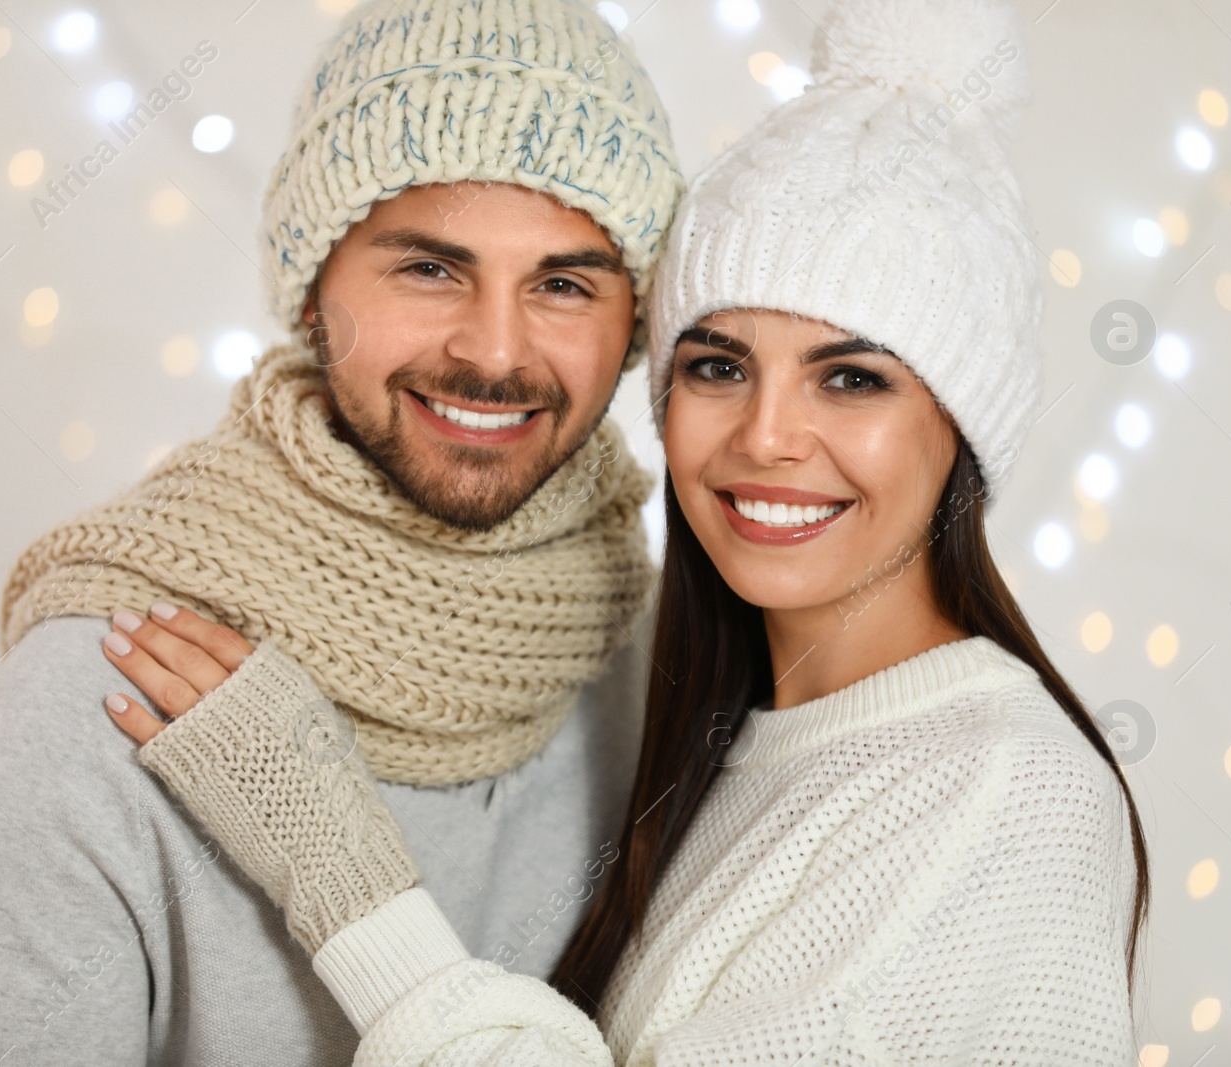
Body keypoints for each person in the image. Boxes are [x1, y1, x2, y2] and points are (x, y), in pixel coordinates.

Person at [95, 0, 1151, 1063]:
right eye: (718, 365)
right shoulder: (709, 720)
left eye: (851, 377)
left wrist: (337, 869)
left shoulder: (1007, 795)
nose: (767, 435)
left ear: (960, 426)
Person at [0, 2, 684, 1063]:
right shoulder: (99, 699)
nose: (493, 350)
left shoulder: (673, 664)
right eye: (429, 268)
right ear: (311, 293)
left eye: (564, 283)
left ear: (632, 325)